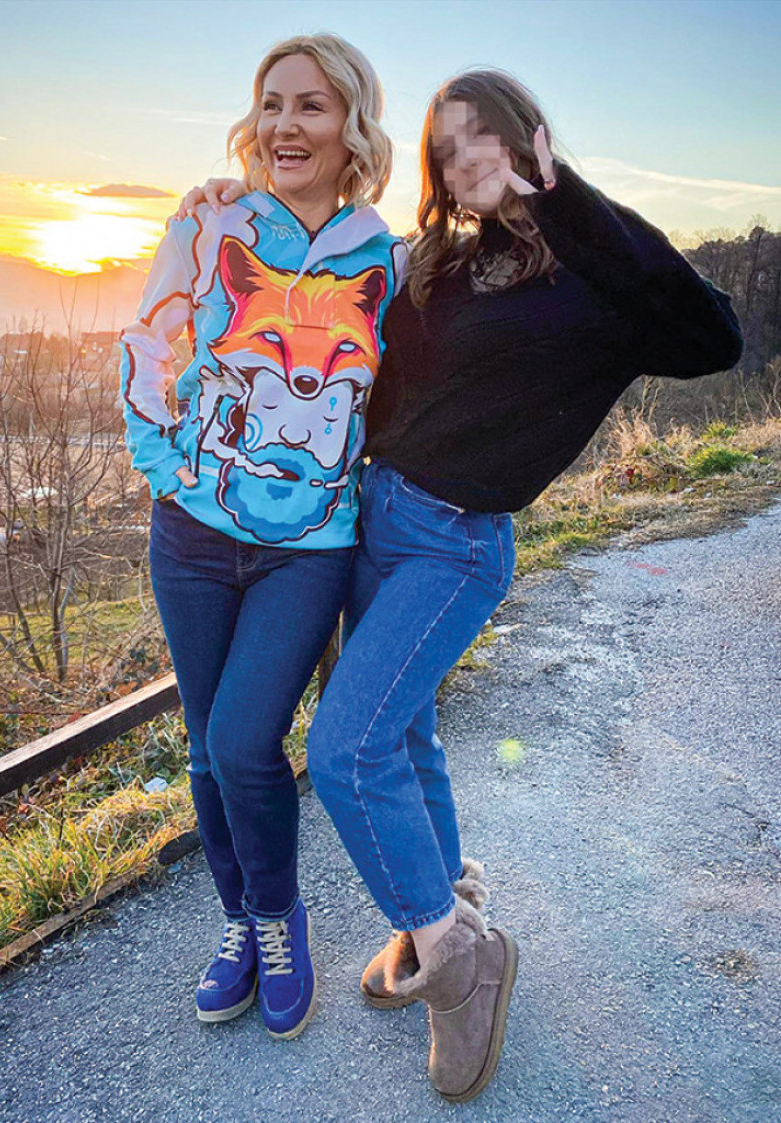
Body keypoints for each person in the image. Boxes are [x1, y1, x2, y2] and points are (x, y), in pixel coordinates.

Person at [176, 67, 742, 1095]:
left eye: (484, 135)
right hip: (374, 519)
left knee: (345, 746)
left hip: (456, 545)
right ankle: (438, 904)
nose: (463, 157)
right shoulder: (447, 260)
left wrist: (563, 198)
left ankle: (457, 964)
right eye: (446, 146)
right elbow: (331, 328)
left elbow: (716, 338)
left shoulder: (600, 279)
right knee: (404, 735)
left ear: (530, 139)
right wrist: (236, 210)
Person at [120, 33, 402, 1040]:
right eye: (272, 103)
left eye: (311, 105)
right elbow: (148, 338)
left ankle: (280, 921)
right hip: (190, 536)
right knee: (206, 750)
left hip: (310, 546)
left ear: (352, 126)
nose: (286, 124)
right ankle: (238, 921)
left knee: (245, 742)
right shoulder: (210, 222)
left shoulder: (386, 258)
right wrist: (164, 466)